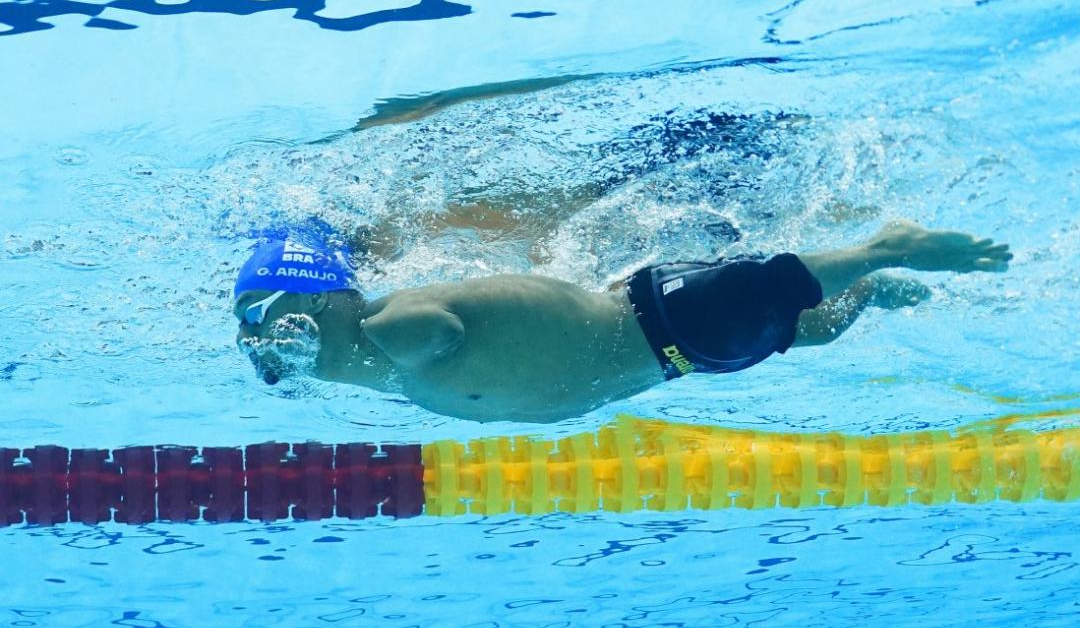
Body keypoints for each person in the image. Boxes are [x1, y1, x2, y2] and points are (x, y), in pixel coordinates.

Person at [232, 220, 1010, 423]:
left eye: (268, 318)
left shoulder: (395, 328)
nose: (261, 340)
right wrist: (294, 362)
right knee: (820, 327)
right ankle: (873, 286)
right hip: (670, 355)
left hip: (658, 321)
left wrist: (352, 340)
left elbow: (439, 334)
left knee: (774, 292)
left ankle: (884, 248)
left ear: (321, 300)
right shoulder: (382, 373)